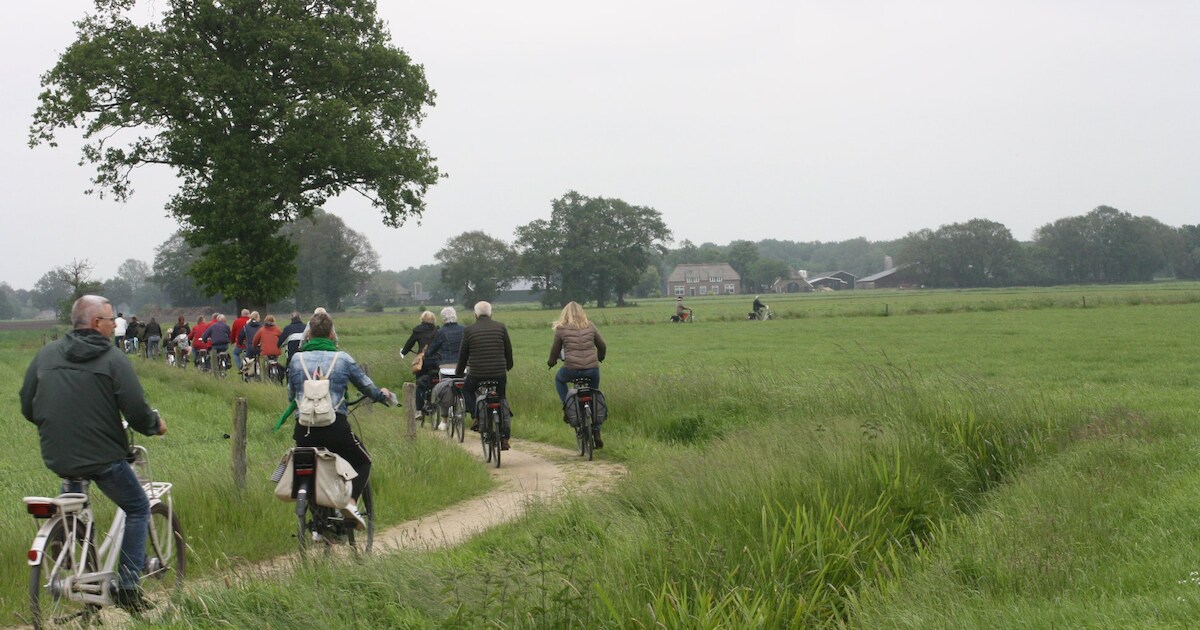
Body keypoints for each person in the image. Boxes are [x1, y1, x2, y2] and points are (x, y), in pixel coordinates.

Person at [20, 295, 168, 613]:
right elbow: (136, 410)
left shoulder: (46, 354)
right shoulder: (113, 359)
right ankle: (128, 586)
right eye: (110, 318)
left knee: (75, 516)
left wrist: (54, 426)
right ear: (95, 323)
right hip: (104, 459)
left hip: (59, 456)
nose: (115, 323)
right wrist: (155, 425)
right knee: (139, 507)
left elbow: (27, 404)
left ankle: (79, 573)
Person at [286, 311, 392, 529]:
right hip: (335, 428)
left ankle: (319, 526)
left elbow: (291, 395)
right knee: (363, 461)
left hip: (304, 429)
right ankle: (351, 504)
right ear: (332, 334)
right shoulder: (342, 358)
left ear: (309, 335)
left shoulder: (296, 359)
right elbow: (367, 387)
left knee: (313, 468)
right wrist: (384, 396)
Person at [547, 301, 607, 448]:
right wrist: (600, 357)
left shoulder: (561, 329)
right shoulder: (590, 325)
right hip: (592, 370)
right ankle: (597, 431)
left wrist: (551, 362)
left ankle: (568, 406)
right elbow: (602, 345)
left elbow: (555, 350)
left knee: (559, 380)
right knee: (594, 395)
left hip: (571, 369)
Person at [455, 301, 514, 449]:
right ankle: (504, 438)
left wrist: (459, 372)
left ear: (475, 314)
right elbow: (508, 350)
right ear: (490, 313)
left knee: (467, 389)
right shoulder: (501, 327)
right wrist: (508, 366)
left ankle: (476, 416)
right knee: (501, 398)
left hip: (477, 373)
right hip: (499, 373)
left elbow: (463, 355)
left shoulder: (469, 330)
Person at [402, 311, 439, 422]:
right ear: (433, 320)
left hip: (424, 361)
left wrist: (403, 352)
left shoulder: (417, 330)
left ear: (422, 319)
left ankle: (418, 410)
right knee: (438, 379)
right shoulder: (438, 330)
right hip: (437, 361)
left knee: (419, 383)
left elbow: (409, 344)